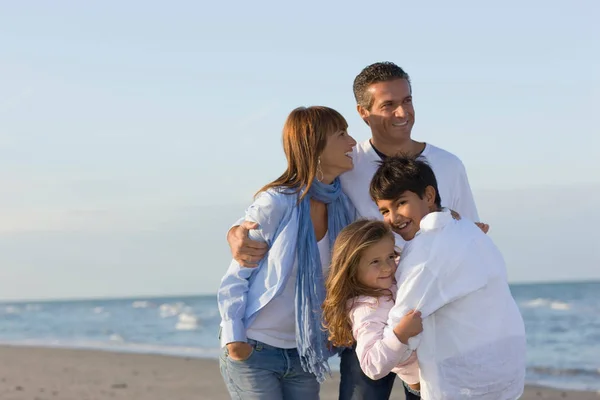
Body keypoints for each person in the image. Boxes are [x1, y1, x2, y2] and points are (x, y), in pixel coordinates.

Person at [227, 61, 484, 399]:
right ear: (364, 113)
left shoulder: (449, 165)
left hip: (431, 316)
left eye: (407, 100)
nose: (402, 112)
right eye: (388, 105)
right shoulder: (347, 162)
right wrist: (236, 232)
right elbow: (290, 193)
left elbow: (468, 238)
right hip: (365, 313)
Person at [217, 106, 357, 400]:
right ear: (315, 145)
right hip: (256, 350)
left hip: (303, 353)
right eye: (342, 134)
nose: (352, 142)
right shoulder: (276, 203)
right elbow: (236, 275)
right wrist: (234, 339)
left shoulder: (343, 206)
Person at [370, 154, 526, 400]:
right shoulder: (463, 227)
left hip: (465, 384)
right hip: (505, 374)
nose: (393, 217)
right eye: (384, 210)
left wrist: (373, 354)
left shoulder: (427, 252)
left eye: (401, 203)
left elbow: (403, 322)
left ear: (429, 196)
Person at [322, 219, 424, 398]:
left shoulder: (391, 277)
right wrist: (401, 333)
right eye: (375, 261)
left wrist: (458, 232)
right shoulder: (365, 309)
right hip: (421, 385)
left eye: (390, 257)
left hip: (434, 371)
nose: (387, 267)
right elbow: (371, 365)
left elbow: (424, 257)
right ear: (353, 269)